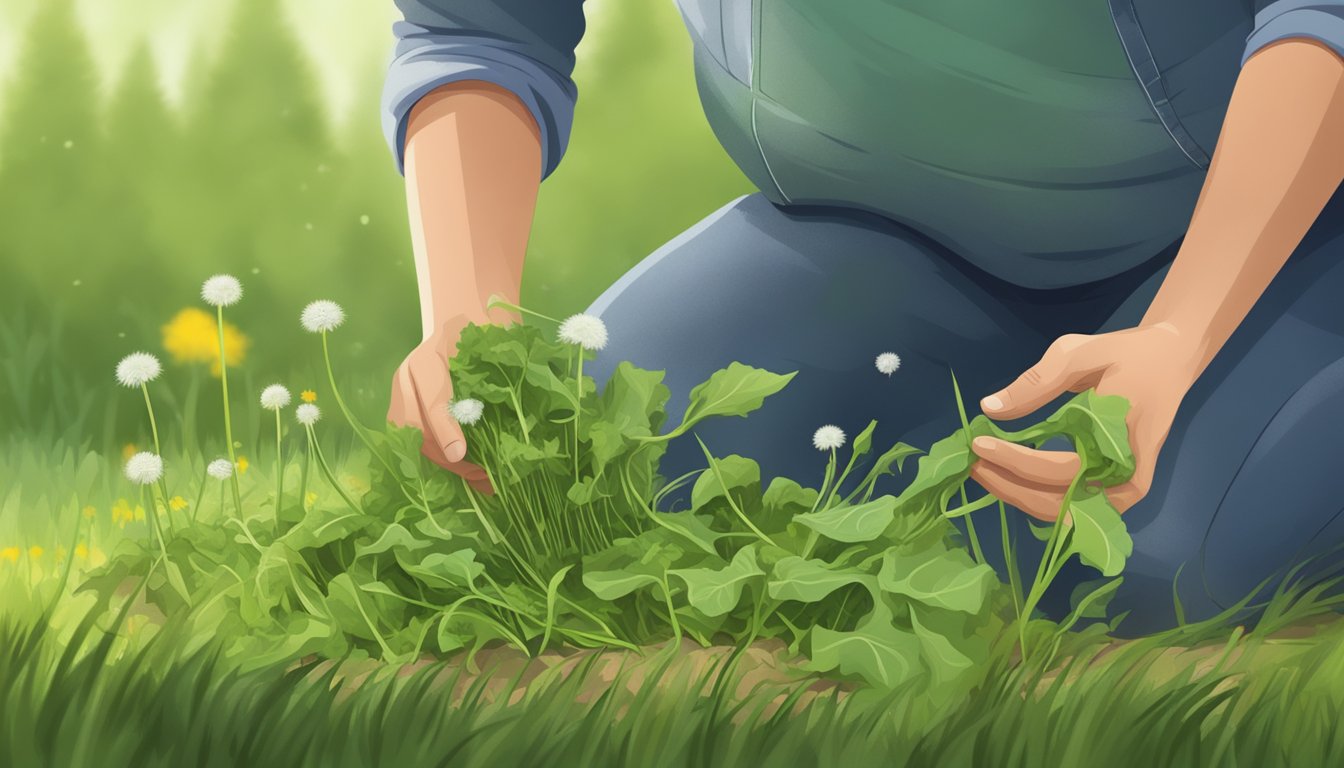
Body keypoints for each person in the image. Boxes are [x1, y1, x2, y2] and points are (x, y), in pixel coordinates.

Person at [380, 1, 1344, 634]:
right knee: (593, 490)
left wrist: (1182, 329)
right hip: (877, 228)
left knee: (1121, 575)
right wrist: (468, 317)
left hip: (1269, 231)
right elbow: (484, 28)